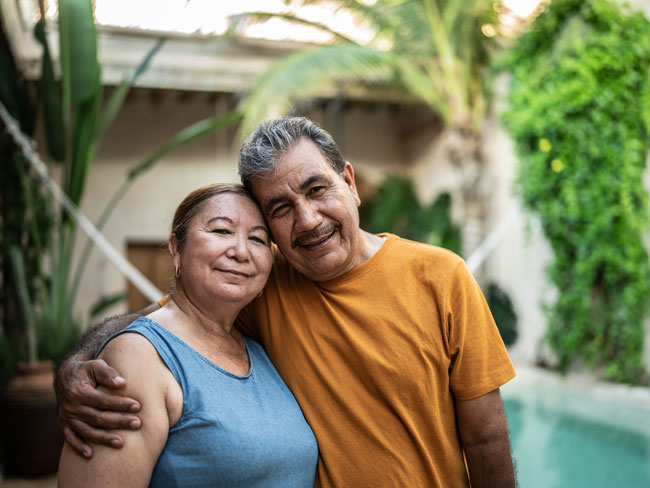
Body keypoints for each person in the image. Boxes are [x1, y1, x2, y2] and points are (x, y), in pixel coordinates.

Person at [56, 116, 516, 487]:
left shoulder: (441, 276)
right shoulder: (261, 283)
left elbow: (486, 438)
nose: (308, 219)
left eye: (317, 190)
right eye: (279, 208)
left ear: (349, 183)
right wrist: (77, 364)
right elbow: (166, 324)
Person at [57, 183, 318, 487]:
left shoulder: (259, 347)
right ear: (176, 249)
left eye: (258, 239)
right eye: (221, 231)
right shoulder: (137, 358)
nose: (241, 251)